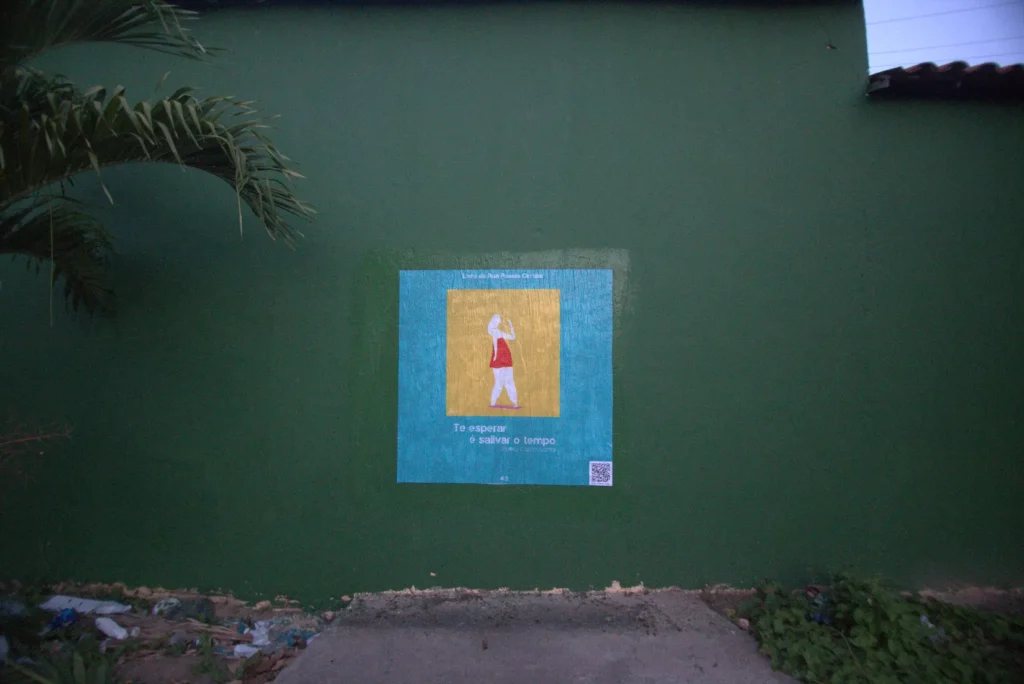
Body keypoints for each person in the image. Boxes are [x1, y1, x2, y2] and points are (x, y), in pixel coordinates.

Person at [488, 314, 518, 408]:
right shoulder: (495, 331)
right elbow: (495, 344)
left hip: (505, 357)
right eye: (496, 321)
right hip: (500, 358)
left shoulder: (498, 331)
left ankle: (514, 402)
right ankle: (494, 402)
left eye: (498, 322)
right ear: (493, 321)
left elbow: (512, 337)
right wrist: (495, 356)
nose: (497, 323)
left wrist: (511, 326)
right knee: (502, 382)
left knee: (507, 381)